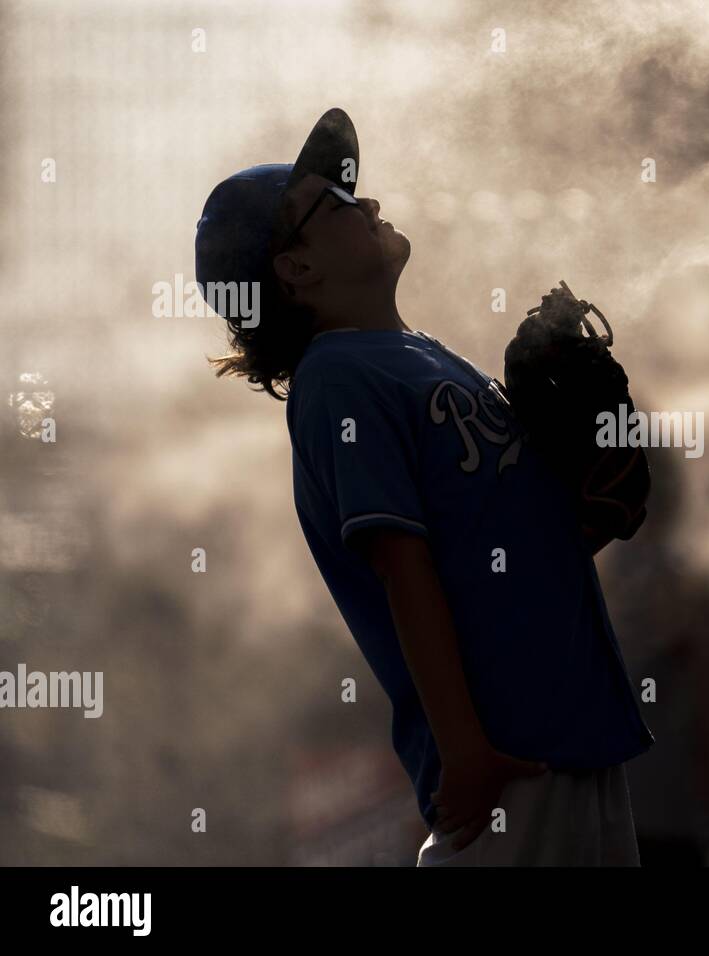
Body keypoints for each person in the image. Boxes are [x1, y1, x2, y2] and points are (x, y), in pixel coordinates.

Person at [194, 108, 654, 865]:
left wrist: (594, 499)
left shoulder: (424, 355)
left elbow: (507, 544)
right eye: (338, 202)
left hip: (575, 732)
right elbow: (401, 567)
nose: (368, 203)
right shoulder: (338, 379)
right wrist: (465, 751)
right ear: (297, 268)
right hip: (508, 757)